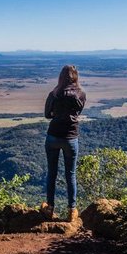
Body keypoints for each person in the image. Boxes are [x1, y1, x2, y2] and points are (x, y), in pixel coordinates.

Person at [40, 65, 87, 222]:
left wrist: (56, 112)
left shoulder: (54, 94)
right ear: (75, 77)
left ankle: (49, 208)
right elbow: (77, 113)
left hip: (53, 136)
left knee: (51, 173)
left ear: (60, 77)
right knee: (70, 174)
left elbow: (47, 115)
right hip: (71, 137)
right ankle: (72, 211)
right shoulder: (81, 94)